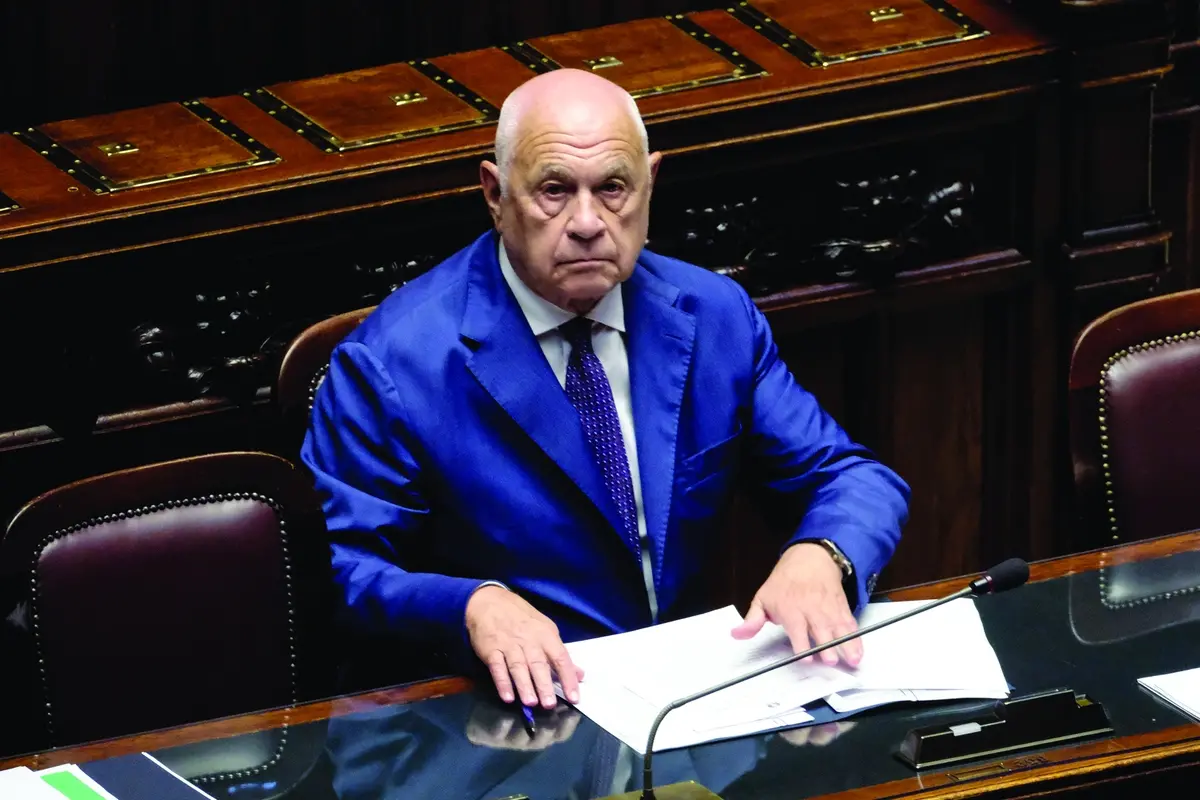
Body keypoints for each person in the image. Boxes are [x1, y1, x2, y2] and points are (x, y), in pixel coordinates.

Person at [301, 68, 910, 712]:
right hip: (507, 725)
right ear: (495, 194)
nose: (587, 222)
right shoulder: (393, 362)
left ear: (651, 184)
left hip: (691, 711)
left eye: (612, 188)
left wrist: (823, 554)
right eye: (555, 191)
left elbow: (850, 477)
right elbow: (340, 570)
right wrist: (469, 605)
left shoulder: (714, 316)